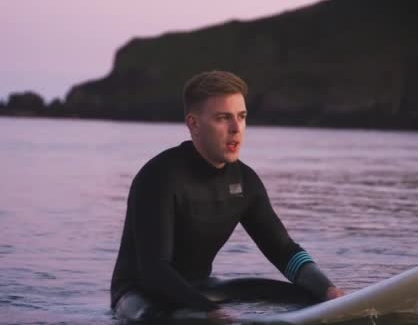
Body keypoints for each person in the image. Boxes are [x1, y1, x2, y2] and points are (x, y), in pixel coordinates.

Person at [110, 70, 344, 322]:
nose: (236, 129)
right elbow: (154, 271)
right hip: (140, 295)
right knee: (157, 317)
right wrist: (209, 312)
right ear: (194, 123)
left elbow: (283, 250)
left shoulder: (245, 182)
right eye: (223, 118)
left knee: (309, 297)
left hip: (201, 289)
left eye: (241, 117)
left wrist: (328, 291)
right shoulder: (159, 178)